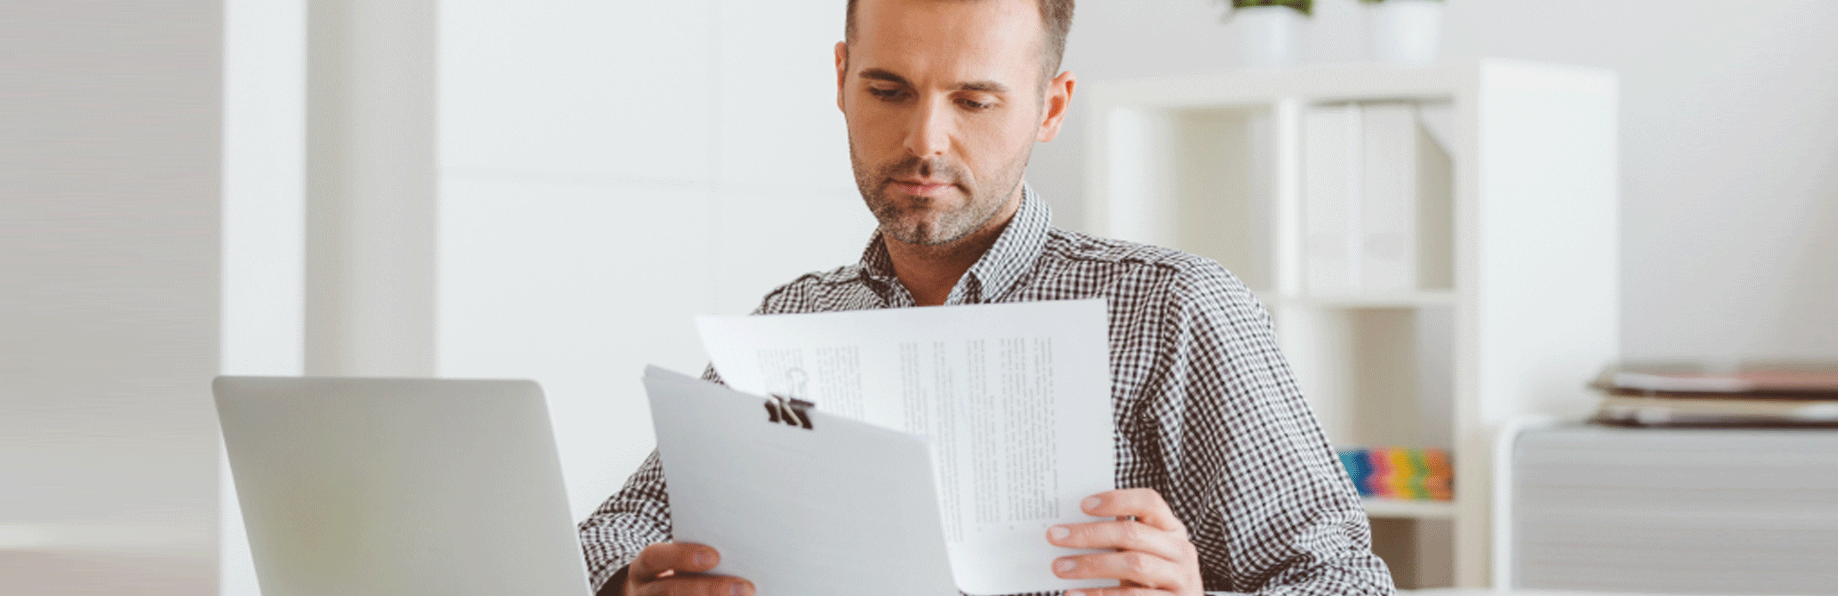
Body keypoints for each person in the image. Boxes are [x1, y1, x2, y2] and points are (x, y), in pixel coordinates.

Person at [579, 0, 1396, 594]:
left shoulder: (1173, 310)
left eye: (975, 101)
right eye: (889, 90)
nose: (925, 140)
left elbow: (1346, 582)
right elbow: (615, 531)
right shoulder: (794, 322)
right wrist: (631, 585)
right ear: (840, 79)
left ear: (1052, 106)